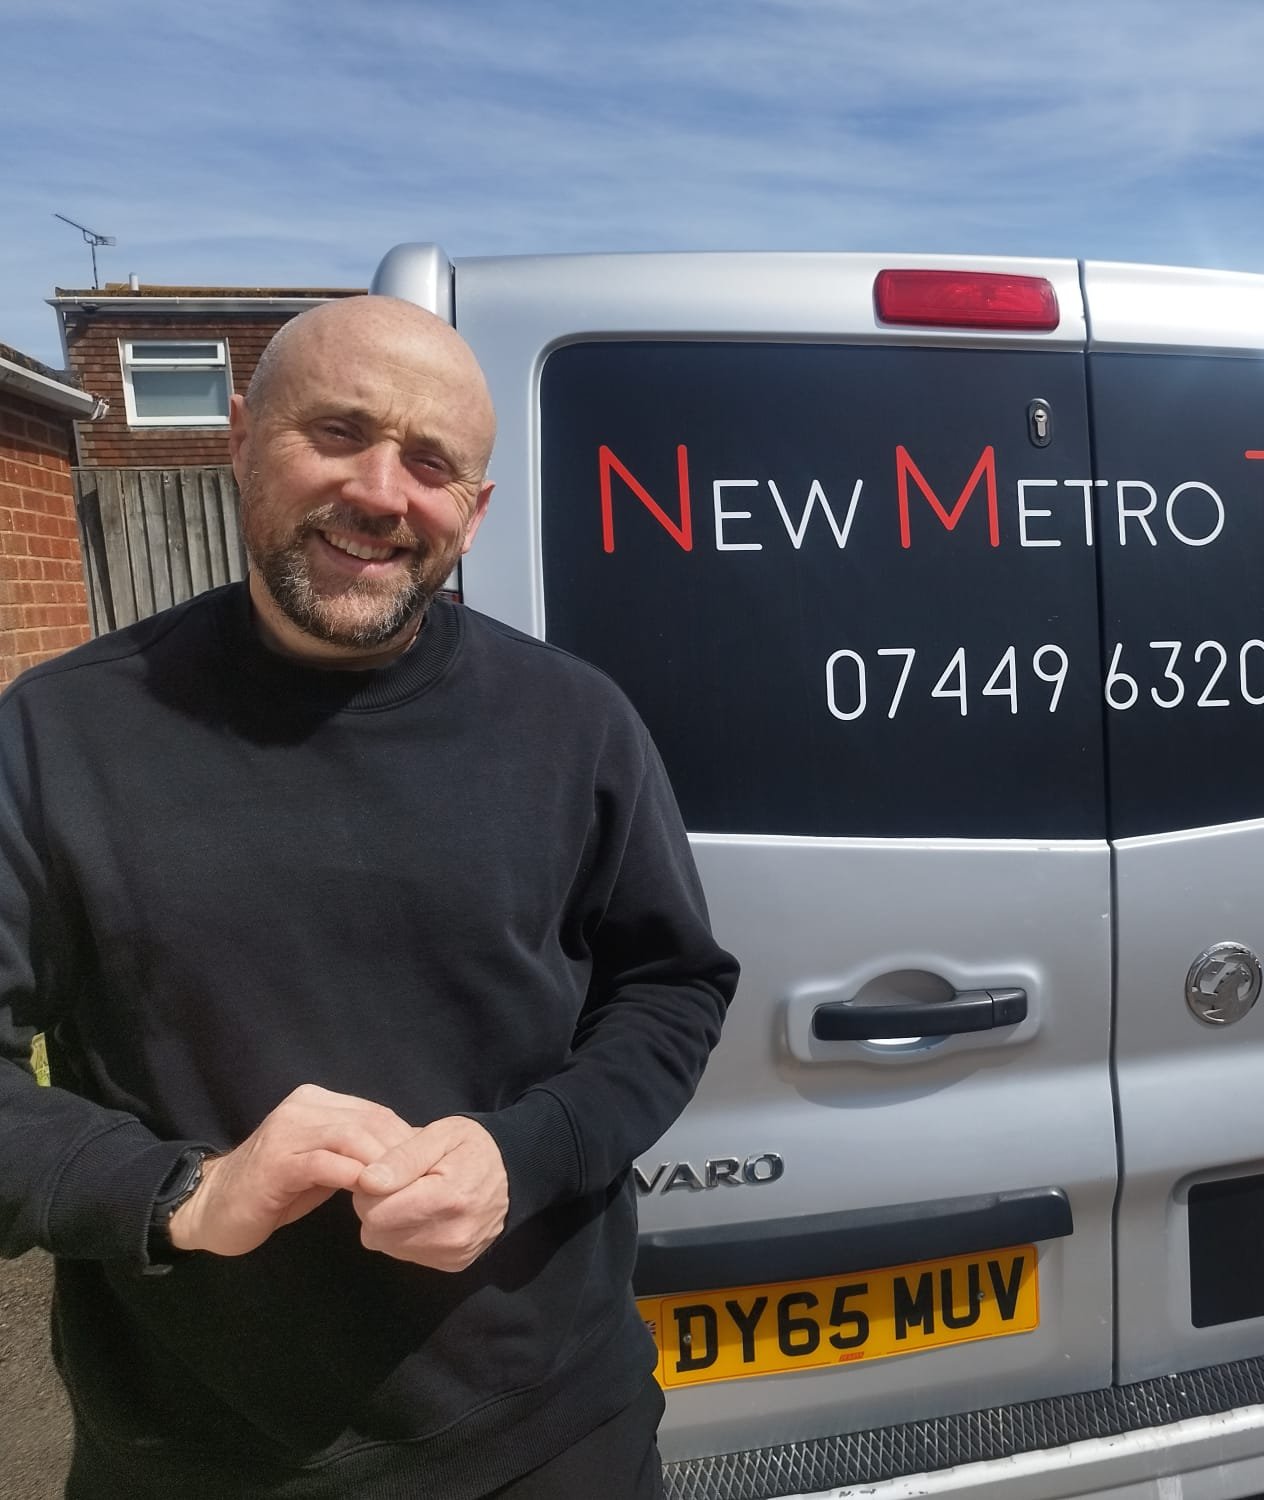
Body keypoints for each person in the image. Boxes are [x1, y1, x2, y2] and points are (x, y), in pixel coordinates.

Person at [0, 295, 738, 1498]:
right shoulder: (59, 736)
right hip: (197, 1460)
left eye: (432, 463)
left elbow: (670, 990)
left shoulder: (573, 724)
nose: (384, 492)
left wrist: (525, 1154)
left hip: (553, 1435)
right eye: (338, 432)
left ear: (474, 511)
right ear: (241, 435)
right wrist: (186, 1194)